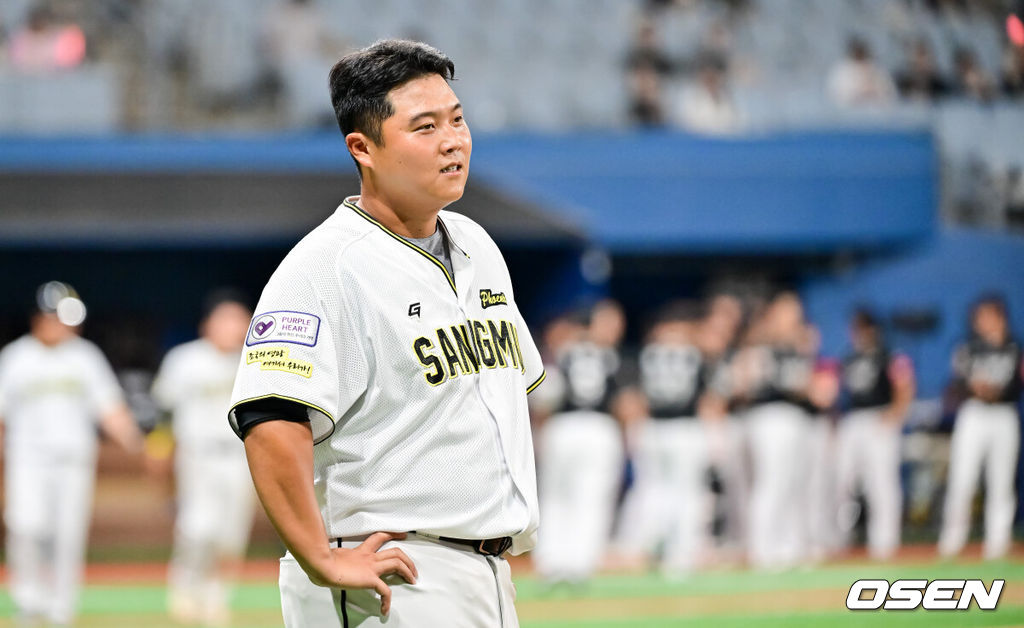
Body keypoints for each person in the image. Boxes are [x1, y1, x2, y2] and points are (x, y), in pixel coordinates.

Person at [227, 40, 545, 627]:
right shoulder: (325, 266)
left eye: (457, 119)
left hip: (483, 570)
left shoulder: (478, 246)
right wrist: (320, 557)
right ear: (362, 148)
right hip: (392, 572)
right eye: (425, 127)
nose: (453, 140)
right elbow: (270, 419)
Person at [0, 281, 143, 626]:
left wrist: (136, 443)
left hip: (74, 462)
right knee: (26, 527)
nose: (68, 326)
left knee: (67, 534)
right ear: (40, 318)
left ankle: (61, 607)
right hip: (27, 460)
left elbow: (110, 407)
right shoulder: (16, 357)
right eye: (59, 318)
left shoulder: (84, 356)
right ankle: (30, 601)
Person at [151, 290, 256, 626]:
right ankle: (184, 588)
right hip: (197, 453)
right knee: (197, 527)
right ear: (208, 323)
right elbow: (164, 411)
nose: (232, 326)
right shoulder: (184, 359)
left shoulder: (254, 360)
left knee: (231, 533)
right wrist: (159, 450)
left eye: (238, 319)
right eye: (225, 318)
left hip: (239, 455)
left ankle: (216, 597)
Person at [533, 300, 629, 585]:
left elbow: (543, 398)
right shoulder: (609, 356)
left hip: (562, 427)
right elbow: (625, 403)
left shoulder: (562, 352)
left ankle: (550, 563)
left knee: (555, 497)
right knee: (591, 497)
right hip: (599, 427)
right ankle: (580, 564)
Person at [616, 304, 711, 575]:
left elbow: (634, 399)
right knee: (685, 493)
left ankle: (645, 548)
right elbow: (708, 399)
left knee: (654, 491)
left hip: (653, 428)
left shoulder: (645, 355)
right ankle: (679, 555)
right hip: (684, 428)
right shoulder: (693, 355)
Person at [939, 296, 1022, 560]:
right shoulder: (968, 347)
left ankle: (998, 543)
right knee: (963, 478)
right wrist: (978, 387)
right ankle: (952, 541)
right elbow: (960, 382)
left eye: (987, 315)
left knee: (1001, 480)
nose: (981, 322)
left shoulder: (1015, 347)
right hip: (974, 413)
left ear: (1000, 316)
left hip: (1004, 413)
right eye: (978, 317)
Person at [834, 309, 915, 560]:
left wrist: (896, 413)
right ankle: (840, 540)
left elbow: (905, 384)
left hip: (879, 417)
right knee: (842, 481)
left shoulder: (889, 354)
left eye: (861, 327)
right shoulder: (848, 357)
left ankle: (884, 544)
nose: (856, 333)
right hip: (854, 420)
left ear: (873, 329)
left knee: (882, 483)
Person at [826, 37, 897, 108]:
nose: (859, 54)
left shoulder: (875, 68)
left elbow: (888, 92)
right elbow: (835, 95)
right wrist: (857, 96)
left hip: (874, 110)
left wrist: (874, 95)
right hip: (850, 111)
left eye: (861, 52)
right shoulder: (843, 69)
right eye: (857, 52)